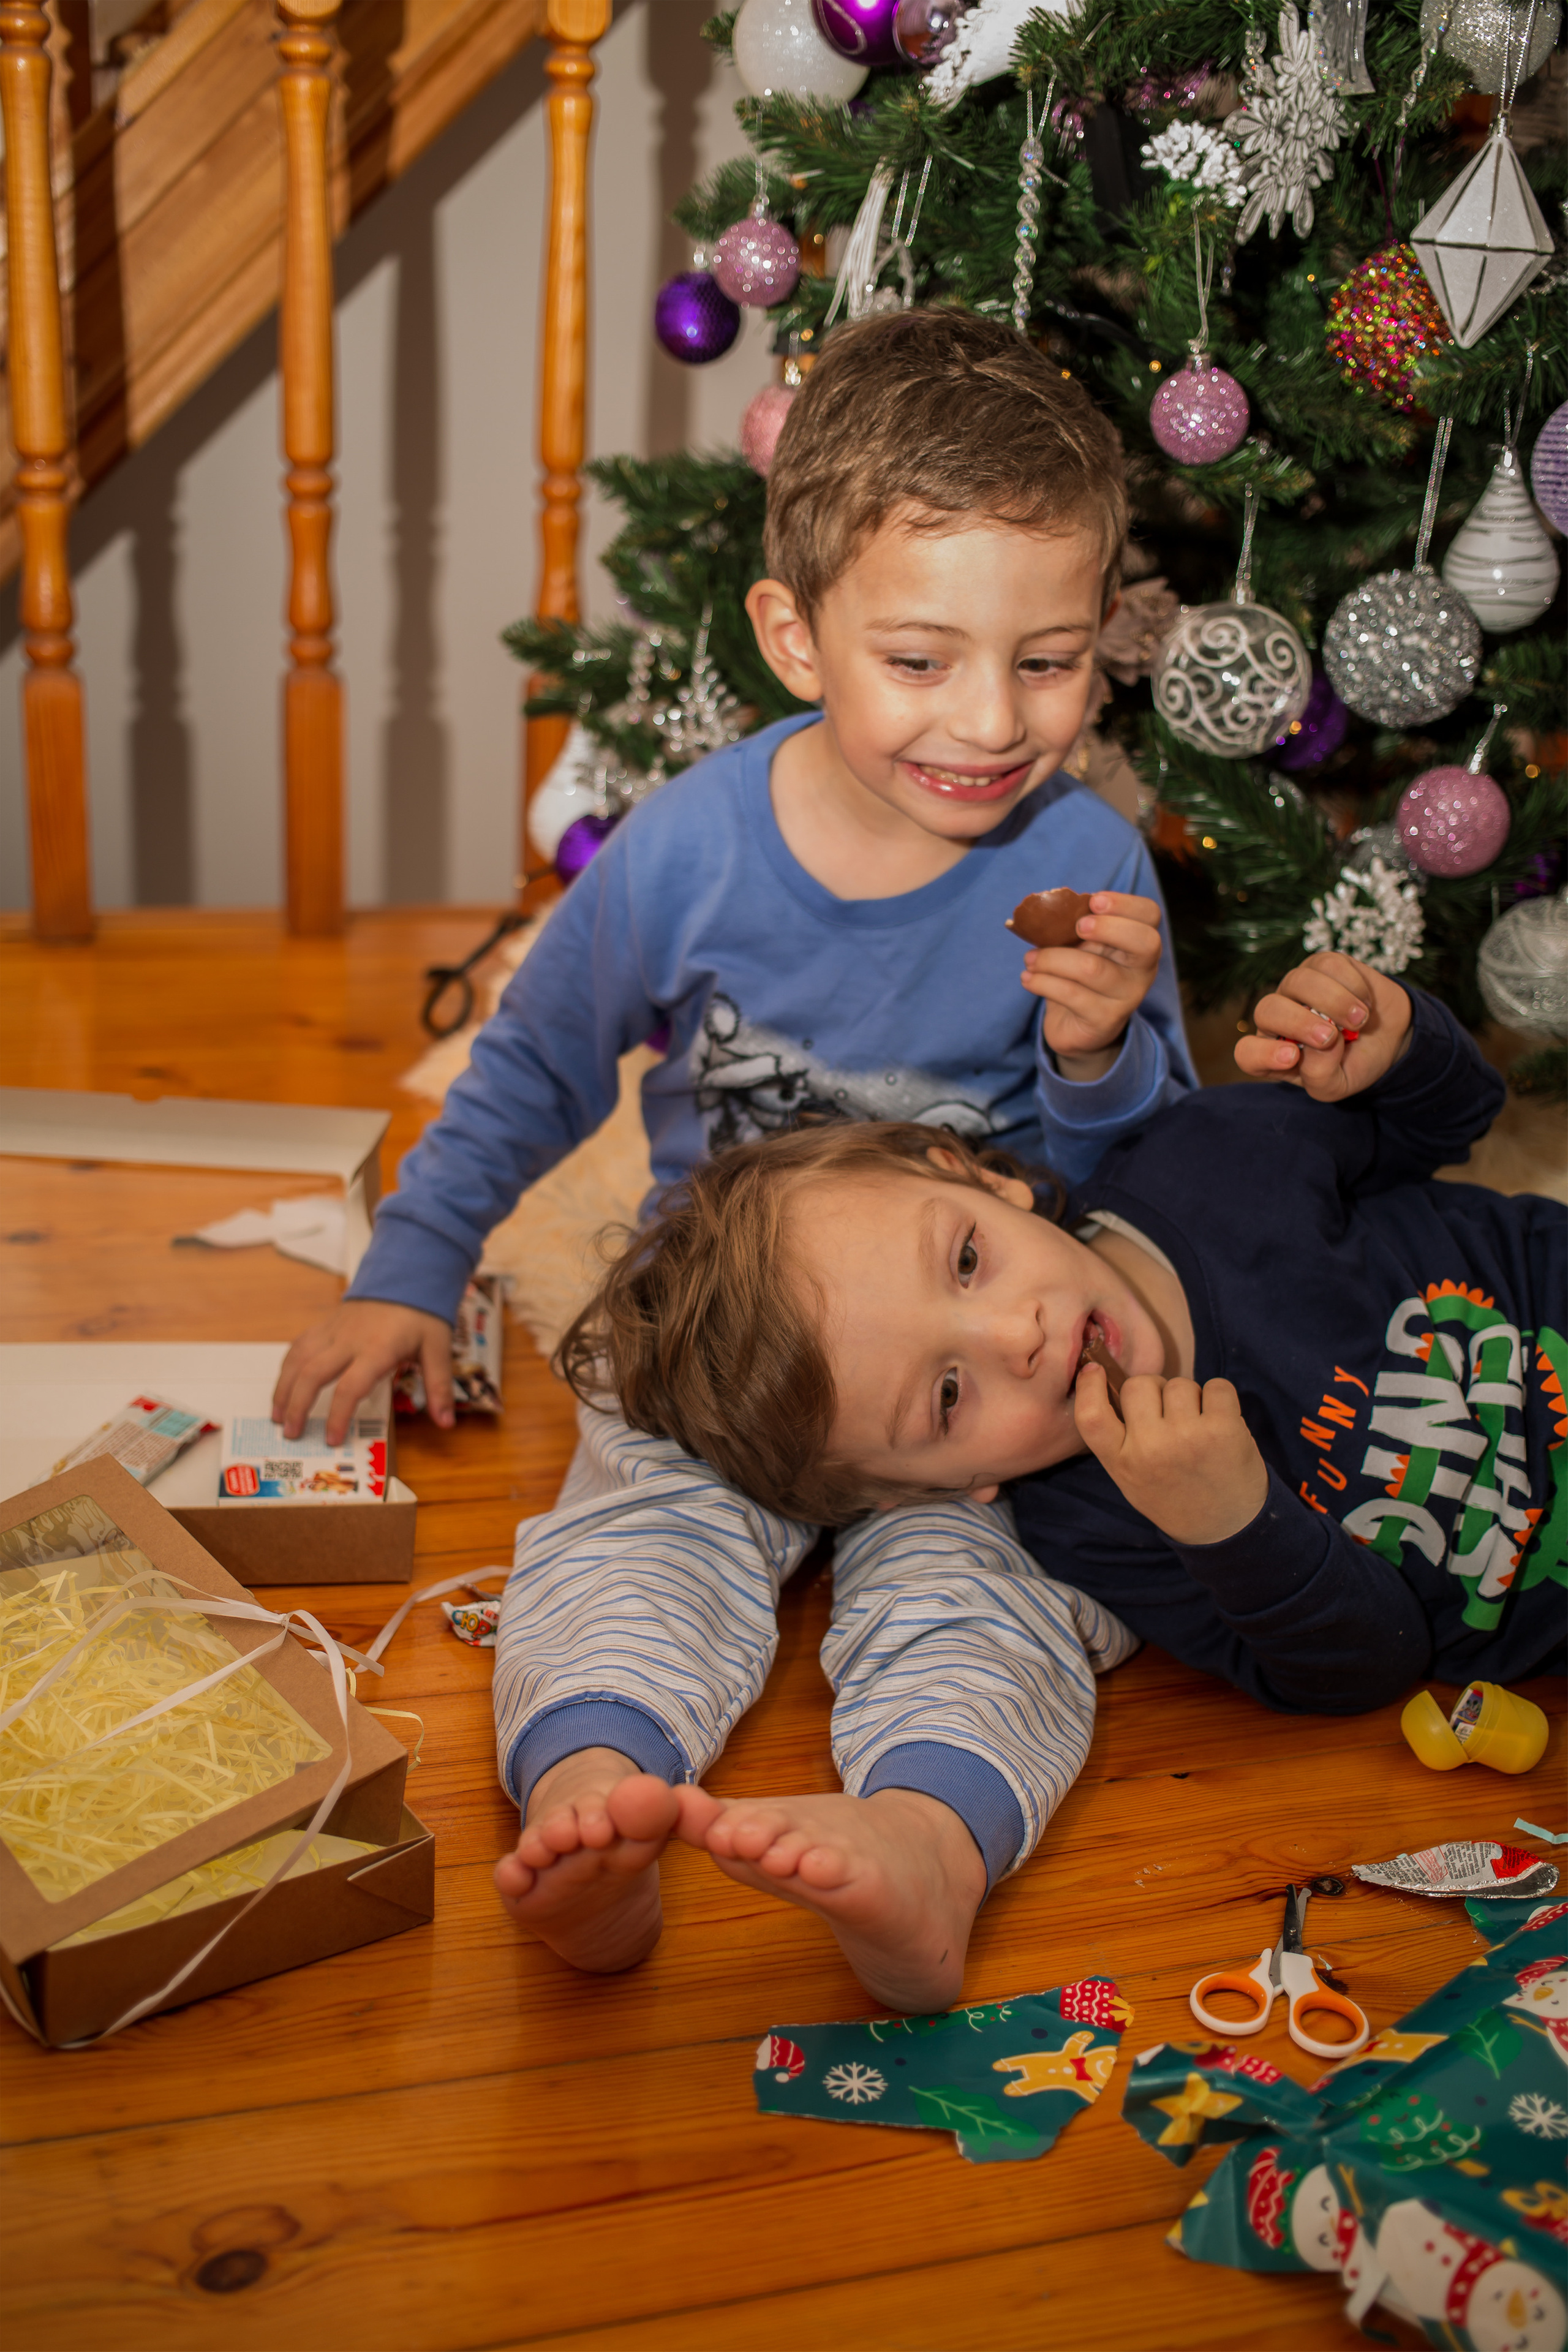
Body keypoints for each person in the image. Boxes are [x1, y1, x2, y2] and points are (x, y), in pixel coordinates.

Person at [272, 307, 1197, 2011]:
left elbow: (1166, 1185)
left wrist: (1093, 1056)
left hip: (970, 1381)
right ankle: (592, 1808)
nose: (992, 721)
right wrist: (414, 1266)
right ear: (794, 633)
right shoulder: (690, 847)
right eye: (921, 660)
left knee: (992, 1595)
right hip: (725, 1332)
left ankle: (929, 1843)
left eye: (1050, 659)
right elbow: (542, 1057)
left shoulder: (1085, 851)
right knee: (632, 1542)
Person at [571, 951, 1562, 1980]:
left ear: (983, 1176)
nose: (1019, 1337)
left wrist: (1396, 1040)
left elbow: (1446, 1118)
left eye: (966, 1260)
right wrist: (1233, 1522)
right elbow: (1370, 1663)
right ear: (949, 1488)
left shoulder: (1207, 1160)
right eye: (949, 1397)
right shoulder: (1098, 1523)